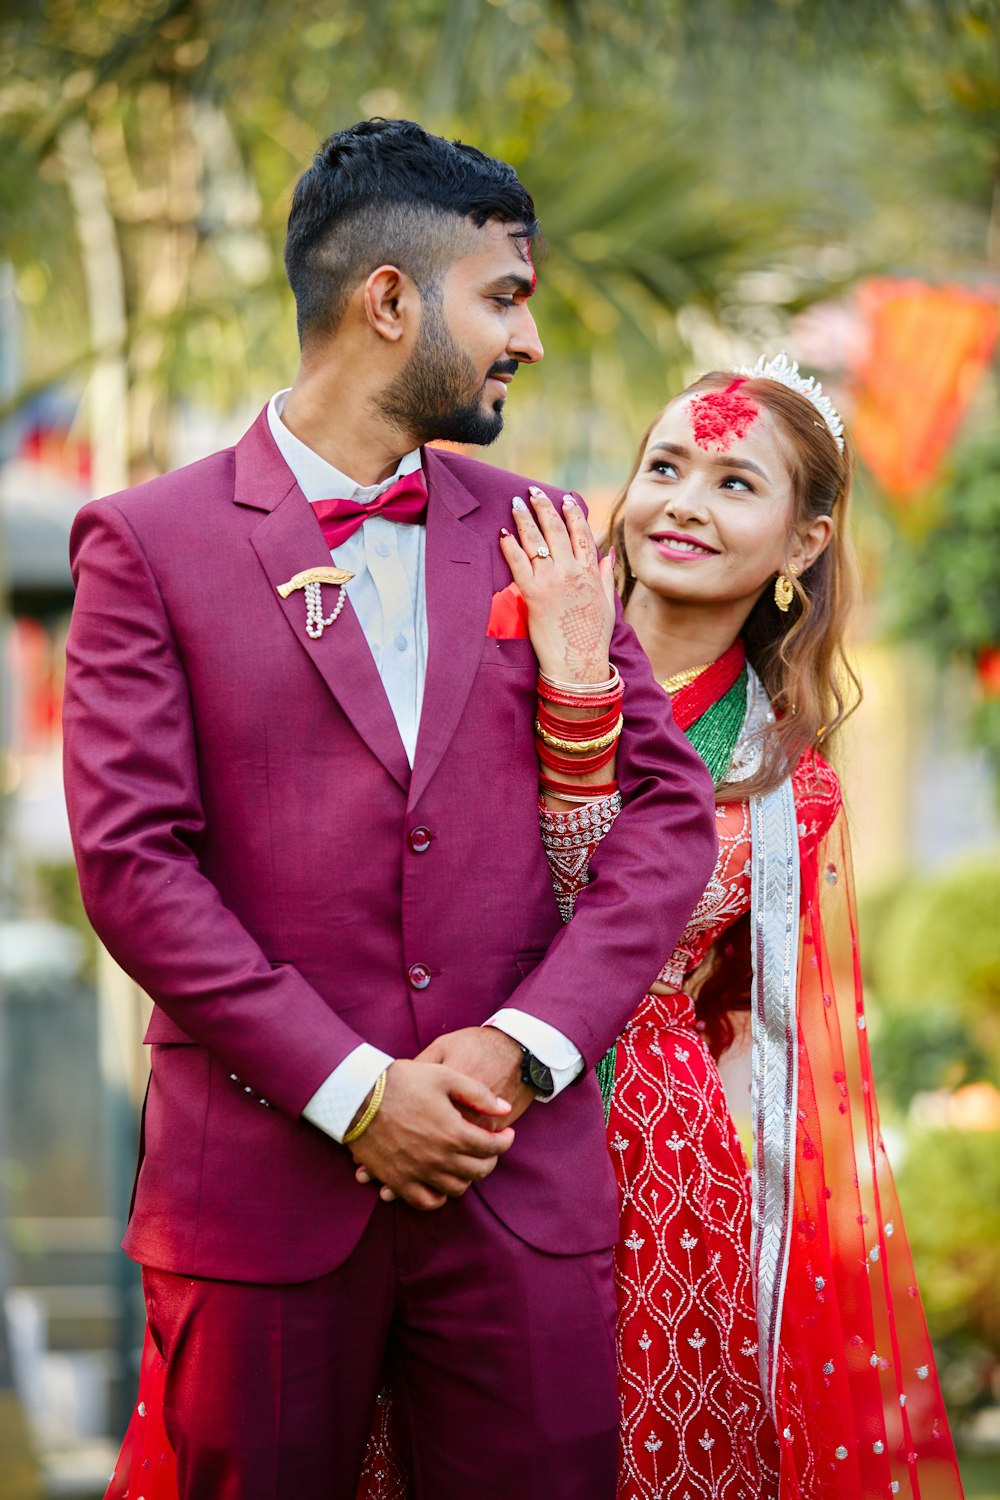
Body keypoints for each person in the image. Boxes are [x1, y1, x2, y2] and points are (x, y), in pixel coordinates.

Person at [63, 118, 718, 1500]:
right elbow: (132, 864)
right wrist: (356, 1093)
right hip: (261, 1192)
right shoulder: (148, 543)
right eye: (506, 297)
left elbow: (665, 820)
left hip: (515, 1184)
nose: (524, 343)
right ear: (388, 301)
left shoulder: (541, 521)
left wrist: (519, 1046)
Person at [511, 354, 963, 1498]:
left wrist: (576, 688)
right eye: (665, 466)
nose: (681, 503)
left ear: (802, 544)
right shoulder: (497, 649)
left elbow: (658, 957)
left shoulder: (780, 784)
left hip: (653, 1171)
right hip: (463, 1105)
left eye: (732, 483)